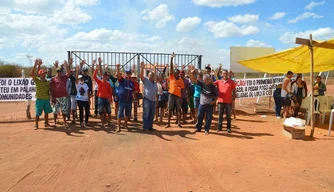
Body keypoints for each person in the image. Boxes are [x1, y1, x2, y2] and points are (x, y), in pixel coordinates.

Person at [189, 68, 217, 135]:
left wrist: (213, 102)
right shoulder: (202, 84)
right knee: (199, 116)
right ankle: (198, 128)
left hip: (209, 105)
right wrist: (192, 73)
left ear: (209, 79)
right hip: (202, 104)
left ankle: (207, 129)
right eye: (205, 80)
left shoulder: (213, 87)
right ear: (203, 80)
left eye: (207, 79)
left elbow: (216, 96)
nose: (206, 81)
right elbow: (194, 80)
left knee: (208, 118)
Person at [31, 59, 53, 129]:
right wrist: (36, 65)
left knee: (47, 112)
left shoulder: (47, 81)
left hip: (46, 99)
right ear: (40, 74)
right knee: (37, 113)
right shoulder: (37, 80)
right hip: (39, 99)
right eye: (43, 73)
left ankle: (46, 123)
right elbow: (32, 74)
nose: (44, 74)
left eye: (45, 73)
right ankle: (36, 125)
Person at [165, 53, 185, 128]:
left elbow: (183, 90)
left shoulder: (181, 80)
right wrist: (171, 59)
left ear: (179, 74)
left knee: (178, 109)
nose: (176, 73)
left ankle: (179, 122)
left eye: (177, 73)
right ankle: (168, 123)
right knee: (170, 109)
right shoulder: (171, 77)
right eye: (175, 73)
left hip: (178, 96)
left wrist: (182, 98)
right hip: (171, 95)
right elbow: (171, 68)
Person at [50, 60, 71, 128]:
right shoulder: (53, 79)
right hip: (56, 97)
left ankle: (65, 122)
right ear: (57, 72)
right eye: (58, 72)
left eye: (60, 72)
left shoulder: (64, 77)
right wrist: (52, 97)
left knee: (64, 110)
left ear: (61, 72)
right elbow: (52, 88)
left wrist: (67, 66)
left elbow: (69, 74)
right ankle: (55, 122)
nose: (59, 73)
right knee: (55, 110)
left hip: (63, 96)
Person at [93, 61, 113, 128]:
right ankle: (102, 123)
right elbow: (94, 77)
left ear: (107, 76)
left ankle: (109, 122)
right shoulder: (99, 82)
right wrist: (96, 69)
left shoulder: (108, 83)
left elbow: (110, 92)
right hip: (101, 98)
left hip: (106, 98)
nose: (105, 77)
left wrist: (111, 99)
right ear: (102, 76)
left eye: (106, 76)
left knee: (109, 111)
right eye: (104, 76)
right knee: (101, 111)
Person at [140, 62, 158, 131]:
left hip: (153, 100)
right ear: (148, 76)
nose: (152, 76)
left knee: (151, 115)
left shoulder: (155, 83)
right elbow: (141, 76)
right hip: (147, 100)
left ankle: (150, 126)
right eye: (151, 75)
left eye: (153, 75)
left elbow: (156, 91)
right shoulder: (146, 81)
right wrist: (142, 68)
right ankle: (145, 127)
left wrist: (156, 99)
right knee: (146, 114)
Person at [116, 64, 134, 132]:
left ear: (130, 74)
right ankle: (118, 127)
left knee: (127, 114)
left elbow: (133, 91)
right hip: (122, 100)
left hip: (129, 101)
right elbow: (118, 75)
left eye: (129, 73)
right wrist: (118, 68)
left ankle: (125, 125)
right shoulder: (122, 80)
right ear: (125, 74)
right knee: (120, 113)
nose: (128, 74)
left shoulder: (132, 83)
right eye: (127, 73)